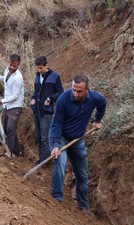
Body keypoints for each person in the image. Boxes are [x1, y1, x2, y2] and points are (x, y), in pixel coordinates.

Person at [49, 74, 106, 215]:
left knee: (82, 173)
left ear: (87, 89)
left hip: (78, 139)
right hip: (61, 137)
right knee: (60, 163)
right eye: (74, 89)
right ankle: (56, 199)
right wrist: (56, 145)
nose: (75, 93)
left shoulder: (95, 98)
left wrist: (98, 120)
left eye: (79, 91)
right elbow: (56, 124)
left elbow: (102, 103)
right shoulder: (64, 99)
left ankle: (83, 206)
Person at [0, 54, 24, 157]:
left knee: (10, 129)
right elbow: (5, 78)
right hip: (7, 105)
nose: (12, 68)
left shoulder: (18, 78)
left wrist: (1, 101)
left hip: (15, 105)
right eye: (11, 65)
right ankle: (17, 150)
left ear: (18, 65)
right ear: (8, 62)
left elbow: (15, 96)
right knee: (7, 128)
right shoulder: (7, 70)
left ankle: (8, 152)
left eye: (15, 66)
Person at [31, 56, 64, 164]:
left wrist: (50, 98)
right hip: (37, 111)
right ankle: (42, 159)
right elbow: (36, 91)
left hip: (47, 112)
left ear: (46, 66)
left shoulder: (55, 76)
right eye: (38, 68)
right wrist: (33, 98)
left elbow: (60, 92)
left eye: (41, 68)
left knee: (45, 137)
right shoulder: (37, 76)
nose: (39, 70)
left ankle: (45, 161)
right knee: (39, 137)